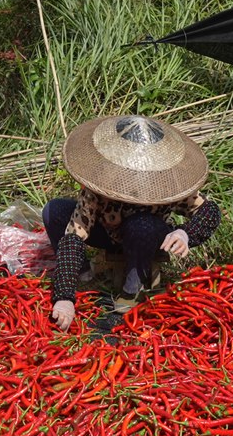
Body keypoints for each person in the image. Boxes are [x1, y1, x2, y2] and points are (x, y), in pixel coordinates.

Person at [44, 115, 222, 331]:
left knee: (142, 226)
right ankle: (83, 274)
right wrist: (65, 296)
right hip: (108, 234)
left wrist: (185, 233)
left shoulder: (167, 184)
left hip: (146, 239)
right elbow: (75, 233)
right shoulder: (101, 184)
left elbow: (208, 210)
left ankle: (133, 285)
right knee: (54, 211)